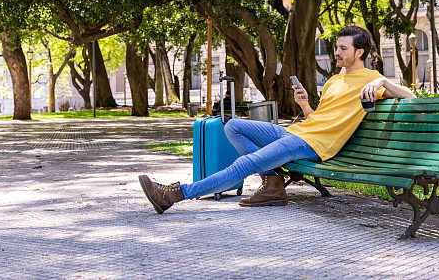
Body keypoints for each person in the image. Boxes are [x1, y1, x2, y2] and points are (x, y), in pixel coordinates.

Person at [138, 25, 416, 213]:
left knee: (246, 163)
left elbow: (411, 98)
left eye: (343, 49)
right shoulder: (334, 80)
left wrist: (382, 79)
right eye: (338, 47)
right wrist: (305, 104)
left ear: (360, 52)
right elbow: (320, 118)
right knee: (234, 125)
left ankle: (175, 195)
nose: (337, 53)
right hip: (300, 132)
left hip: (314, 145)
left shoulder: (370, 78)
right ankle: (272, 184)